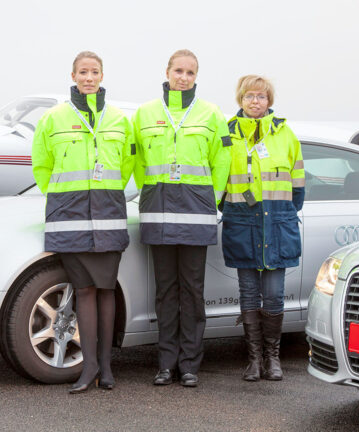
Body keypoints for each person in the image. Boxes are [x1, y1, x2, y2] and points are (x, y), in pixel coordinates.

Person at [32, 51, 134, 393]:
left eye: (94, 72)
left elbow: (128, 164)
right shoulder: (54, 117)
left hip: (107, 214)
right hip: (69, 216)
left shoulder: (120, 119)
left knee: (106, 289)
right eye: (83, 72)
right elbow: (41, 165)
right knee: (84, 290)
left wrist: (105, 193)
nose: (88, 78)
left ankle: (106, 366)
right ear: (73, 75)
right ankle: (88, 365)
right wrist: (62, 194)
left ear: (102, 76)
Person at [132, 49, 231, 387]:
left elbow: (222, 160)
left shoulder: (211, 113)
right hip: (158, 211)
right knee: (165, 292)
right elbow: (138, 161)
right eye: (178, 70)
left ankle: (189, 364)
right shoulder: (145, 113)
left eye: (189, 72)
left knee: (192, 292)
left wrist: (211, 198)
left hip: (195, 213)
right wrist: (148, 192)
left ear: (196, 76)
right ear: (167, 71)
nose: (183, 77)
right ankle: (165, 363)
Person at [221, 75, 305, 381]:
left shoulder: (286, 135)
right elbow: (221, 183)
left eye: (261, 96)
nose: (255, 102)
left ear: (269, 101)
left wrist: (282, 213)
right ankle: (254, 360)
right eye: (249, 96)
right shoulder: (227, 134)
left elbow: (298, 188)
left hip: (278, 224)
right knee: (248, 294)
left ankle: (273, 358)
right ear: (240, 100)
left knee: (273, 296)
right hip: (243, 224)